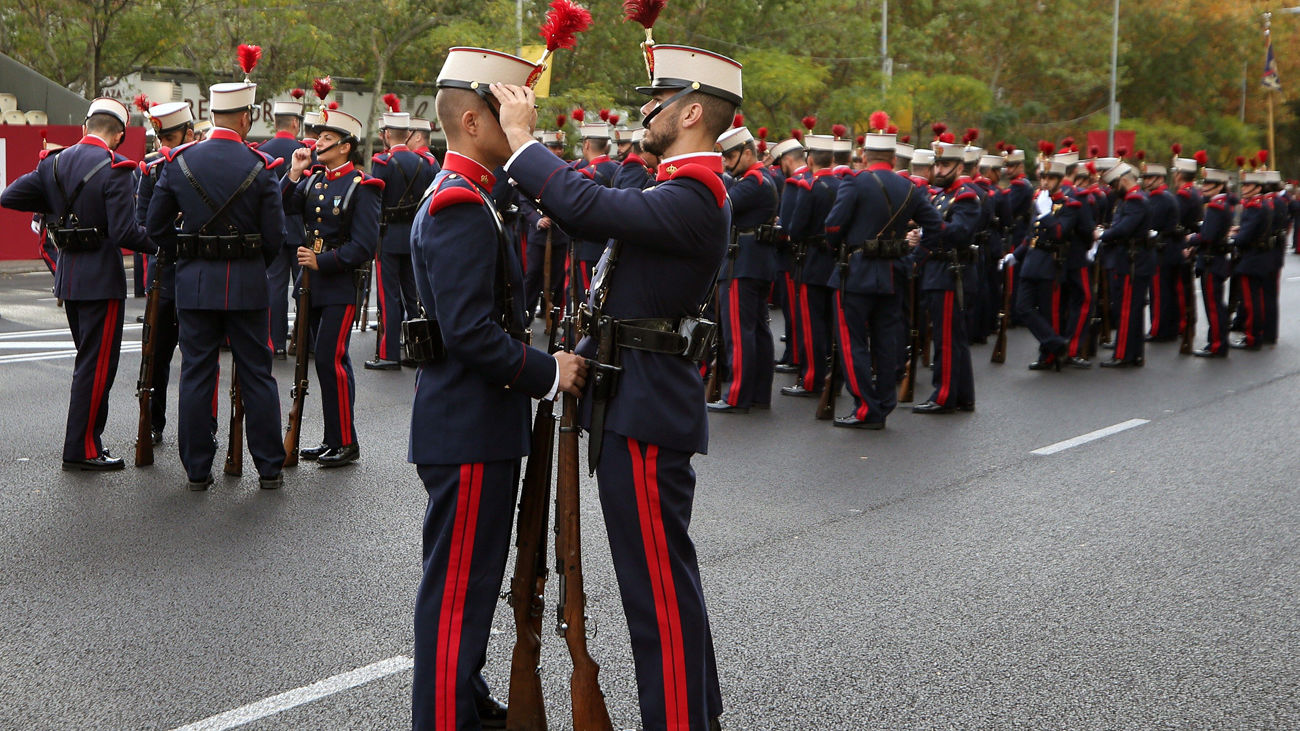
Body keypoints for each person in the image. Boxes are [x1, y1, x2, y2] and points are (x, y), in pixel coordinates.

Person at [492, 39, 741, 729]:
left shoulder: (697, 193)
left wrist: (521, 145)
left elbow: (590, 205)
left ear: (691, 112)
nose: (645, 112)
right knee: (665, 586)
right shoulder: (677, 187)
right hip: (632, 395)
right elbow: (595, 224)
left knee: (656, 593)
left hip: (647, 406)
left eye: (656, 102)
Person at [407, 47, 588, 730]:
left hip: (472, 422)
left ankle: (462, 692)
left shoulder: (474, 190)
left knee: (474, 582)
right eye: (511, 116)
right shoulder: (458, 203)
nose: (521, 128)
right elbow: (473, 335)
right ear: (478, 123)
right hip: (469, 424)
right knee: (458, 588)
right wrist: (550, 372)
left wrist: (528, 149)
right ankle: (445, 717)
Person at [145, 79, 288, 490]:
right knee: (258, 375)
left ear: (210, 117)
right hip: (246, 285)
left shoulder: (178, 162)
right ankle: (269, 469)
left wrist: (190, 252)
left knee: (196, 374)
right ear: (246, 118)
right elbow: (274, 237)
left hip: (194, 285)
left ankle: (195, 470)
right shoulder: (261, 167)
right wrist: (247, 261)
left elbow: (155, 227)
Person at [2, 97, 153, 470]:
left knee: (88, 362)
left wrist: (55, 205)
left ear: (84, 128)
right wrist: (163, 241)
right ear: (118, 135)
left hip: (69, 278)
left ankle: (87, 442)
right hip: (102, 279)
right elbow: (124, 232)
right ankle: (82, 448)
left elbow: (10, 196)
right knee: (97, 366)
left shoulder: (55, 163)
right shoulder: (117, 168)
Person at [282, 108, 383, 467]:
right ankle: (333, 438)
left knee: (329, 359)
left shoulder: (362, 186)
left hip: (339, 284)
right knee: (325, 361)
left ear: (345, 146)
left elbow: (364, 245)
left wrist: (321, 261)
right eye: (319, 137)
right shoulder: (313, 180)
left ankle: (344, 441)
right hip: (309, 284)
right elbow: (283, 204)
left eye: (326, 139)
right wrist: (294, 172)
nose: (318, 143)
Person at [824, 123, 943, 428]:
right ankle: (884, 404)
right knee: (886, 341)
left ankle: (865, 407)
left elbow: (834, 226)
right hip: (893, 274)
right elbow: (936, 227)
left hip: (856, 271)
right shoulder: (910, 188)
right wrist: (912, 254)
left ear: (864, 155)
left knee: (853, 343)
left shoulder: (854, 181)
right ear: (892, 158)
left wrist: (838, 246)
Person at [135, 101, 197, 445]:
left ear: (190, 133)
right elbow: (142, 225)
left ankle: (203, 427)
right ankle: (153, 422)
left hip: (195, 276)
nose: (164, 145)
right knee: (155, 357)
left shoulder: (201, 165)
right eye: (160, 137)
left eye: (170, 137)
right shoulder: (153, 169)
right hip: (162, 276)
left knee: (198, 360)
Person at [709, 124, 778, 414]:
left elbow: (721, 206)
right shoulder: (759, 179)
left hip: (743, 264)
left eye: (729, 157)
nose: (725, 163)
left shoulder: (754, 181)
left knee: (740, 332)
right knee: (757, 331)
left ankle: (738, 396)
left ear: (747, 153)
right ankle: (759, 393)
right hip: (754, 262)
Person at [912, 141, 980, 412]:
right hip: (936, 269)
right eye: (937, 164)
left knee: (947, 338)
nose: (939, 170)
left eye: (945, 165)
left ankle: (944, 396)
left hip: (952, 273)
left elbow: (959, 233)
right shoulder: (939, 196)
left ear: (960, 167)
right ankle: (964, 395)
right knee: (952, 336)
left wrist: (930, 226)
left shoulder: (966, 197)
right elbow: (935, 232)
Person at [366, 105, 436, 370]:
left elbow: (375, 203)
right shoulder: (426, 163)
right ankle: (416, 349)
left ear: (386, 135)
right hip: (414, 237)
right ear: (407, 135)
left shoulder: (382, 163)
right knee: (412, 296)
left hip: (389, 238)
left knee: (388, 297)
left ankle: (390, 354)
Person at [1005, 158, 1077, 370]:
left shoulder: (1070, 204)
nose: (1045, 182)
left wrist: (1046, 213)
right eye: (1043, 177)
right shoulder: (1039, 199)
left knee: (1049, 312)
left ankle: (1048, 356)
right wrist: (1016, 255)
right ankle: (1056, 344)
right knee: (1023, 307)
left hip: (1050, 263)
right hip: (1031, 261)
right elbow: (1030, 235)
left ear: (1060, 180)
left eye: (1051, 178)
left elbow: (1059, 233)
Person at [258, 96, 307, 358]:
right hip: (300, 227)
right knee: (304, 286)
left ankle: (275, 341)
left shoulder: (263, 149)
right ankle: (304, 339)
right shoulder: (304, 149)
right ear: (296, 124)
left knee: (276, 286)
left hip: (274, 226)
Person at [1096, 161, 1153, 367]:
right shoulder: (1132, 199)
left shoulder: (1135, 200)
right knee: (1132, 309)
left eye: (1114, 185)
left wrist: (1102, 234)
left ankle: (1123, 355)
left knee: (1127, 309)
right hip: (1132, 258)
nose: (1112, 190)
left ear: (1124, 181)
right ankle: (1134, 352)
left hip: (1132, 260)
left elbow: (1123, 229)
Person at [1184, 162, 1233, 357]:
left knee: (1213, 306)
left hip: (1212, 260)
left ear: (1219, 186)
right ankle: (1217, 341)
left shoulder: (1215, 207)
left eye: (1209, 184)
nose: (1204, 188)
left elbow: (1208, 236)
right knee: (1216, 304)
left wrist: (1191, 239)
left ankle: (1217, 344)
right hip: (1216, 259)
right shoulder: (1223, 205)